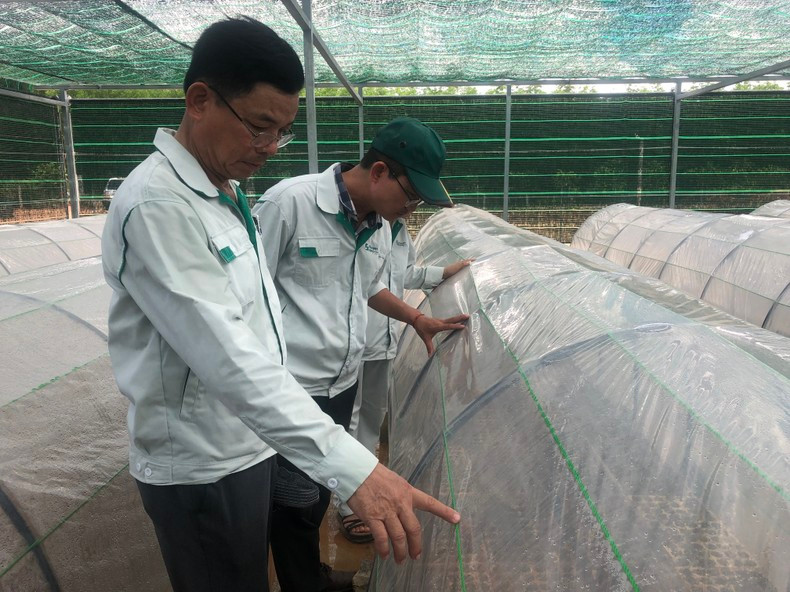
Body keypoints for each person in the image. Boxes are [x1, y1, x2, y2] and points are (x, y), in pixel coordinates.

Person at [101, 18, 459, 592]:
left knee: (262, 555)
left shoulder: (223, 193)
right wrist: (357, 469)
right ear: (200, 101)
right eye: (259, 128)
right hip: (202, 461)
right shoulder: (160, 207)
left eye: (282, 133)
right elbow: (227, 358)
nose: (270, 149)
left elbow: (256, 320)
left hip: (250, 437)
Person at [253, 116, 469, 592]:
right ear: (378, 172)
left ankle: (308, 570)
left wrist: (415, 318)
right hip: (293, 388)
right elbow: (247, 291)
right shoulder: (291, 204)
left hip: (340, 383)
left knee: (311, 497)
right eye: (410, 196)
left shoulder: (376, 224)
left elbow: (370, 287)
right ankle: (300, 579)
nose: (411, 209)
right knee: (289, 503)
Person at [338, 220, 473, 543]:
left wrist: (442, 274)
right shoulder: (361, 224)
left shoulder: (399, 231)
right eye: (409, 196)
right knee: (347, 420)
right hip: (350, 342)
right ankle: (346, 504)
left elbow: (405, 275)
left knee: (371, 419)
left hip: (384, 340)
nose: (411, 206)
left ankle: (361, 488)